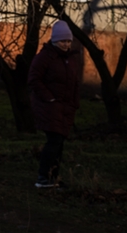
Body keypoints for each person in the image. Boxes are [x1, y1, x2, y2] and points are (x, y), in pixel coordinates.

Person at [28, 20, 82, 188]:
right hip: (49, 107)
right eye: (62, 41)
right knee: (54, 141)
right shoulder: (45, 57)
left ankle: (52, 177)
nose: (66, 44)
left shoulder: (70, 59)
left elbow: (74, 82)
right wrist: (49, 98)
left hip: (65, 108)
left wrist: (74, 103)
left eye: (68, 41)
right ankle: (44, 178)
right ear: (54, 40)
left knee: (58, 143)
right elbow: (34, 79)